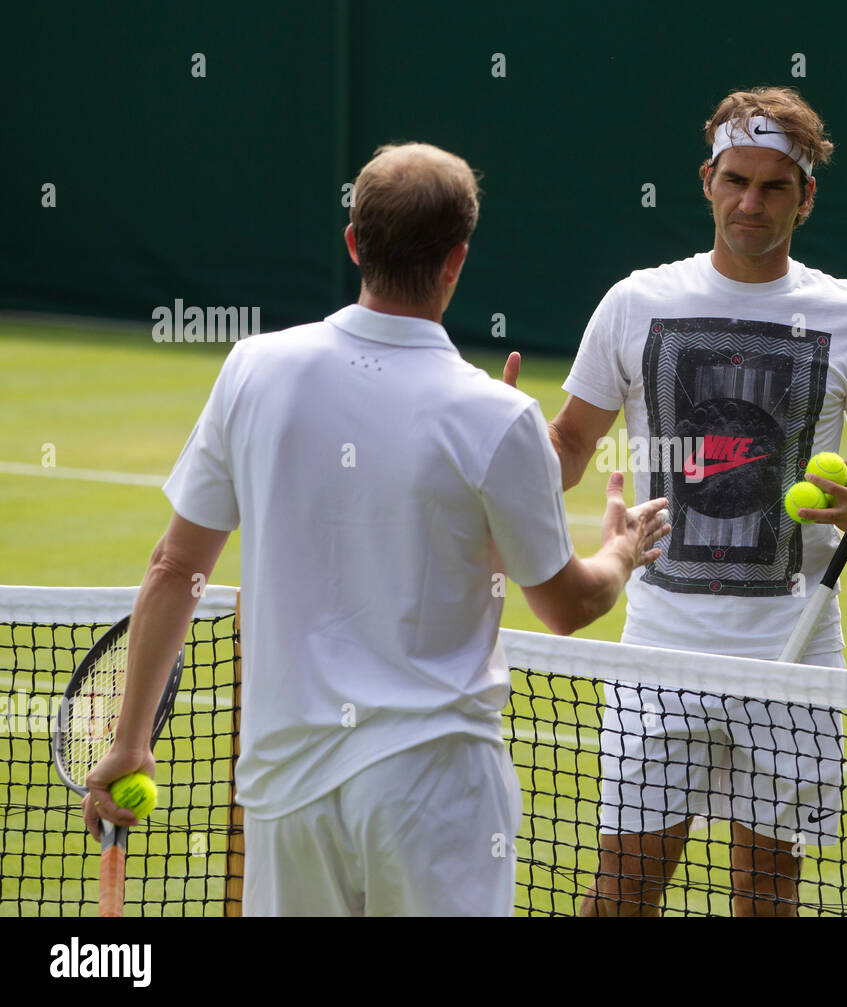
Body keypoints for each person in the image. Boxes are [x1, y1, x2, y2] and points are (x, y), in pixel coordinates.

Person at [81, 142, 668, 917]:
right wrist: (621, 550)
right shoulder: (496, 416)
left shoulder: (253, 368)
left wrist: (128, 741)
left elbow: (173, 566)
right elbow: (566, 605)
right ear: (457, 260)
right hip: (436, 798)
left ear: (354, 242)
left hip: (286, 797)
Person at [504, 87, 847, 916]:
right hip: (659, 648)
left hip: (797, 651)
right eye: (735, 180)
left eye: (773, 187)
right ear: (706, 179)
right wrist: (495, 439)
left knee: (769, 891)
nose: (749, 202)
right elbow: (572, 446)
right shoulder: (635, 302)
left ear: (807, 196)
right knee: (623, 889)